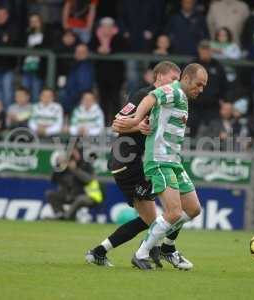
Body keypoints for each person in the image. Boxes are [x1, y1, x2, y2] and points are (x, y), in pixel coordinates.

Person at [86, 61, 194, 269]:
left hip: (139, 164)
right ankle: (163, 250)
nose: (175, 83)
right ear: (159, 77)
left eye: (177, 80)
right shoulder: (143, 95)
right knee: (169, 212)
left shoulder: (171, 99)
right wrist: (138, 125)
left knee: (155, 219)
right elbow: (117, 122)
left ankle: (100, 253)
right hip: (129, 163)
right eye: (172, 79)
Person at [115, 63, 208, 270]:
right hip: (159, 160)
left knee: (193, 209)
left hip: (174, 160)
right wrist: (137, 119)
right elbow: (151, 97)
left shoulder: (182, 97)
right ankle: (141, 253)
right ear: (186, 79)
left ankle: (167, 247)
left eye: (204, 86)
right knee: (173, 212)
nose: (201, 89)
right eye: (199, 84)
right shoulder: (173, 90)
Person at [46, 147, 103, 220]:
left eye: (75, 152)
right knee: (50, 194)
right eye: (70, 152)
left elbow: (89, 180)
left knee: (80, 199)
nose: (72, 155)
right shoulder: (64, 165)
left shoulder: (85, 164)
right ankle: (60, 214)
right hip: (69, 195)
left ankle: (66, 217)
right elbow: (52, 179)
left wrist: (75, 170)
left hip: (86, 194)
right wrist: (58, 166)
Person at [89, 17, 126, 124]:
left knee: (115, 99)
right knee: (103, 100)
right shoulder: (95, 37)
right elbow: (90, 47)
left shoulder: (118, 37)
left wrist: (109, 50)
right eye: (104, 26)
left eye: (109, 26)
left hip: (116, 75)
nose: (107, 29)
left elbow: (123, 47)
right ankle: (103, 124)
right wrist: (98, 50)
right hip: (101, 74)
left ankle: (116, 125)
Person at [189, 40, 228, 137]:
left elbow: (225, 86)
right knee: (189, 132)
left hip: (212, 105)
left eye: (207, 50)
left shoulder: (217, 66)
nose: (205, 52)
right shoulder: (191, 65)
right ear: (199, 50)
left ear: (211, 51)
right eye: (203, 50)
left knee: (215, 132)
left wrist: (226, 101)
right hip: (194, 104)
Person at [22, 14, 50, 102]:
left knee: (36, 93)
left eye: (36, 21)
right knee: (24, 93)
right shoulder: (26, 34)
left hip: (38, 68)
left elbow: (47, 46)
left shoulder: (46, 34)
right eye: (31, 22)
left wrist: (34, 47)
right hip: (26, 67)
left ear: (40, 22)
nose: (33, 24)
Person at [62, 43, 94, 114]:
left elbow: (85, 87)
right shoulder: (74, 65)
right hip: (70, 97)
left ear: (87, 53)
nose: (80, 54)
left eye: (83, 52)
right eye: (78, 52)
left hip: (79, 99)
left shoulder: (87, 66)